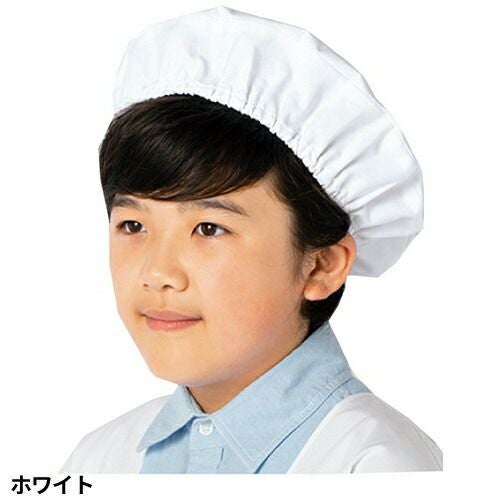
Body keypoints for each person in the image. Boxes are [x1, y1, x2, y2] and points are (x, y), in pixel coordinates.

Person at [59, 6, 443, 473]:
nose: (157, 273)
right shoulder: (101, 459)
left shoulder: (375, 463)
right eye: (133, 226)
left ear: (321, 264)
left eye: (209, 228)